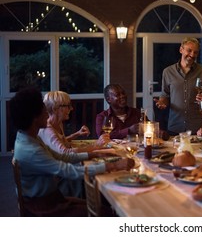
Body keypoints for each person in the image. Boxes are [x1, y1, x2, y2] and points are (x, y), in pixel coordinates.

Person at [11, 87, 134, 216]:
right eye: (44, 111)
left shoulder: (29, 138)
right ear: (34, 118)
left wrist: (95, 154)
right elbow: (67, 171)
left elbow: (62, 156)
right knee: (108, 214)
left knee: (103, 206)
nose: (48, 115)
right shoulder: (32, 150)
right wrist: (112, 165)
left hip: (52, 197)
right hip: (44, 206)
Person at [155, 37, 202, 135]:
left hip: (197, 127)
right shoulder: (168, 72)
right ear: (181, 50)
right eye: (189, 50)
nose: (192, 55)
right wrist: (162, 102)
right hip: (175, 126)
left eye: (195, 52)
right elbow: (165, 95)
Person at [39, 91, 109, 155]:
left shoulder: (59, 123)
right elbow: (65, 152)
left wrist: (77, 134)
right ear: (55, 108)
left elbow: (61, 142)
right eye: (68, 106)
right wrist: (95, 146)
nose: (71, 108)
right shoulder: (47, 129)